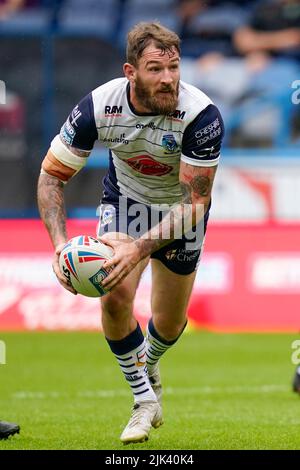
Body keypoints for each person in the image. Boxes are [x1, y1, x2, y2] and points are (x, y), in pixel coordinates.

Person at [37, 22, 224, 444]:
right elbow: (51, 177)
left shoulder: (201, 115)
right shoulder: (98, 107)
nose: (168, 79)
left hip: (181, 211)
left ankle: (151, 361)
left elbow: (195, 203)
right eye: (156, 69)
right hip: (125, 205)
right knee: (114, 296)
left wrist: (140, 249)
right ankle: (144, 400)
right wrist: (59, 245)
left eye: (174, 67)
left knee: (171, 323)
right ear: (130, 71)